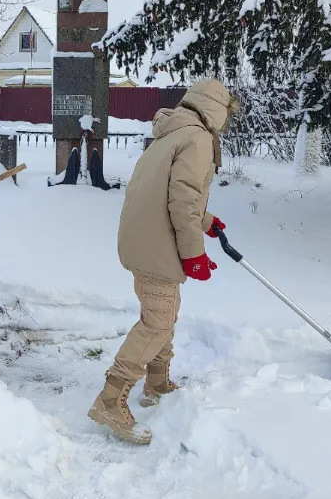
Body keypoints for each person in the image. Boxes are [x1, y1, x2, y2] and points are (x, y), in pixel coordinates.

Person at [88, 78, 240, 444]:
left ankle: (156, 382)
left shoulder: (170, 133)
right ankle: (110, 399)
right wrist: (195, 256)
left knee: (165, 313)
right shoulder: (198, 138)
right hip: (159, 245)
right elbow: (182, 201)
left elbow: (169, 194)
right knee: (156, 322)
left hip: (142, 240)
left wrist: (206, 222)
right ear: (217, 111)